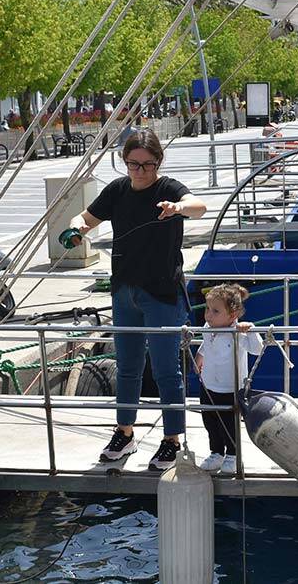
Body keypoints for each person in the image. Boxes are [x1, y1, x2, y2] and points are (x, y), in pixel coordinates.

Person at [69, 129, 207, 471]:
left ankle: (172, 439)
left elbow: (199, 206)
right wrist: (77, 228)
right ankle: (125, 432)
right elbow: (84, 217)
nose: (140, 171)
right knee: (128, 367)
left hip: (161, 293)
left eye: (147, 164)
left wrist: (178, 208)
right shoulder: (117, 190)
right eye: (133, 164)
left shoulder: (167, 188)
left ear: (158, 162)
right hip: (124, 292)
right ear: (124, 162)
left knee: (166, 372)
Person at [194, 284, 263, 473]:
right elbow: (206, 345)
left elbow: (257, 350)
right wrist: (200, 356)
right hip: (208, 385)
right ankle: (216, 452)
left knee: (229, 424)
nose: (208, 314)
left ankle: (233, 454)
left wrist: (251, 330)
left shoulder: (238, 332)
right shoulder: (208, 327)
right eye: (207, 309)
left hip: (230, 388)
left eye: (215, 311)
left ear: (232, 316)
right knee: (210, 421)